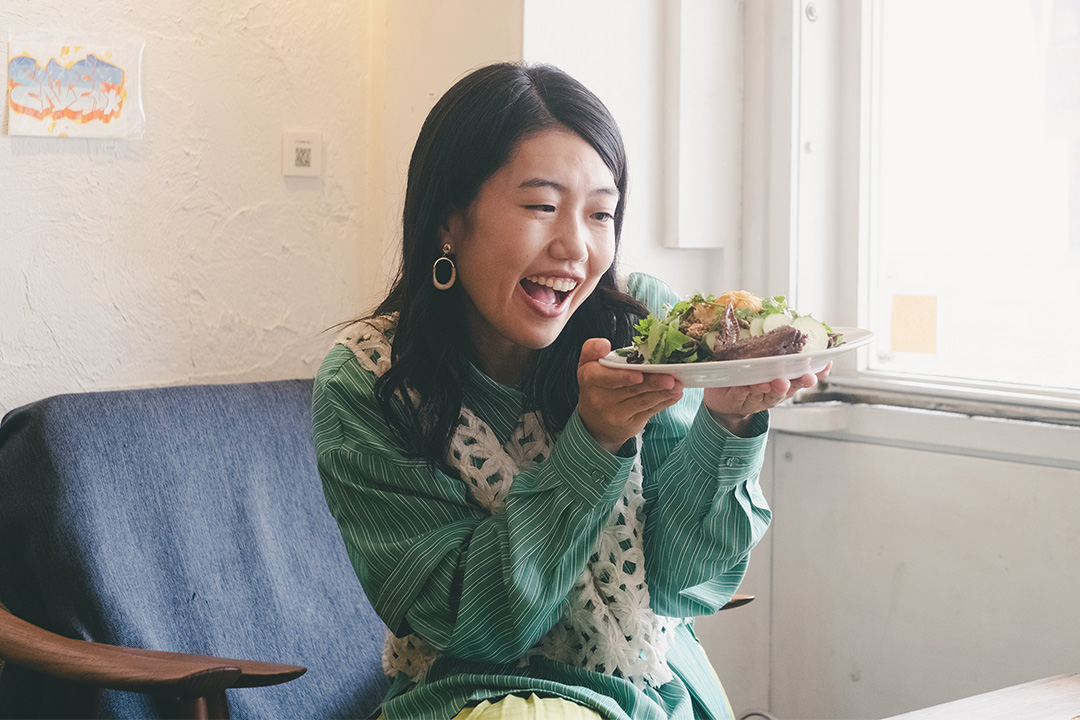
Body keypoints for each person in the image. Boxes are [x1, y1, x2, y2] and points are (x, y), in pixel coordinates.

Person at [312, 61, 826, 720]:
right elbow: (477, 624)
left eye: (601, 214)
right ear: (449, 219)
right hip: (476, 702)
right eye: (541, 207)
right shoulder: (368, 383)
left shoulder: (644, 330)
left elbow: (682, 585)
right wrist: (595, 444)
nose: (577, 247)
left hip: (651, 693)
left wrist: (725, 425)